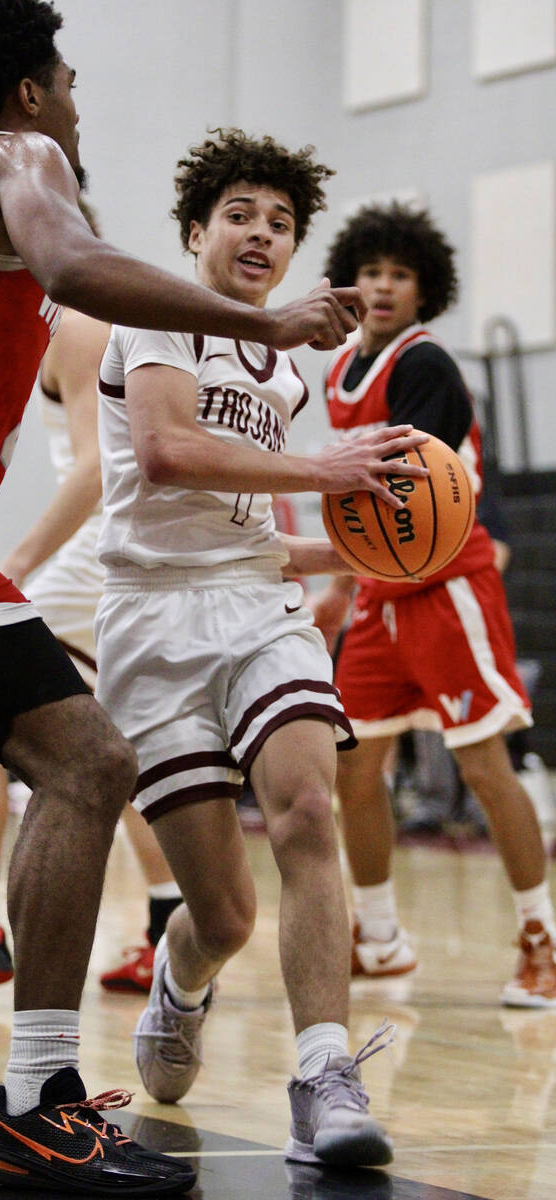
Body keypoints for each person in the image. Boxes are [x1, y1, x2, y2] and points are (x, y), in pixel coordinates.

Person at [0, 2, 385, 1191]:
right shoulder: (19, 160)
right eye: (65, 80)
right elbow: (70, 264)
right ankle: (37, 1101)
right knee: (87, 765)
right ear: (25, 93)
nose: (74, 102)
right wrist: (254, 317)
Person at [92, 128, 430, 1168]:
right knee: (225, 913)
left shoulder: (288, 366)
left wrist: (345, 553)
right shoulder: (150, 316)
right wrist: (324, 473)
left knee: (306, 809)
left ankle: (322, 1075)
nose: (259, 233)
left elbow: (249, 512)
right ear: (195, 233)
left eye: (280, 223)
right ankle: (180, 979)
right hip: (150, 619)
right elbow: (166, 453)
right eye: (238, 214)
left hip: (253, 606)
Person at [0, 217, 181, 996]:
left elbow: (95, 469)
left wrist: (17, 561)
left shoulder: (82, 320)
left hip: (94, 548)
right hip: (110, 548)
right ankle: (167, 927)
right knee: (97, 748)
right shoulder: (69, 316)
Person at [312, 202, 554, 1006]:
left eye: (399, 274)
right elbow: (356, 512)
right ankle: (379, 937)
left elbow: (403, 490)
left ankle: (540, 937)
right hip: (381, 594)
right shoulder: (339, 370)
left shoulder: (427, 366)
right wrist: (343, 588)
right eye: (371, 271)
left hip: (447, 585)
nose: (382, 286)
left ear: (425, 289)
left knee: (483, 762)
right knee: (356, 765)